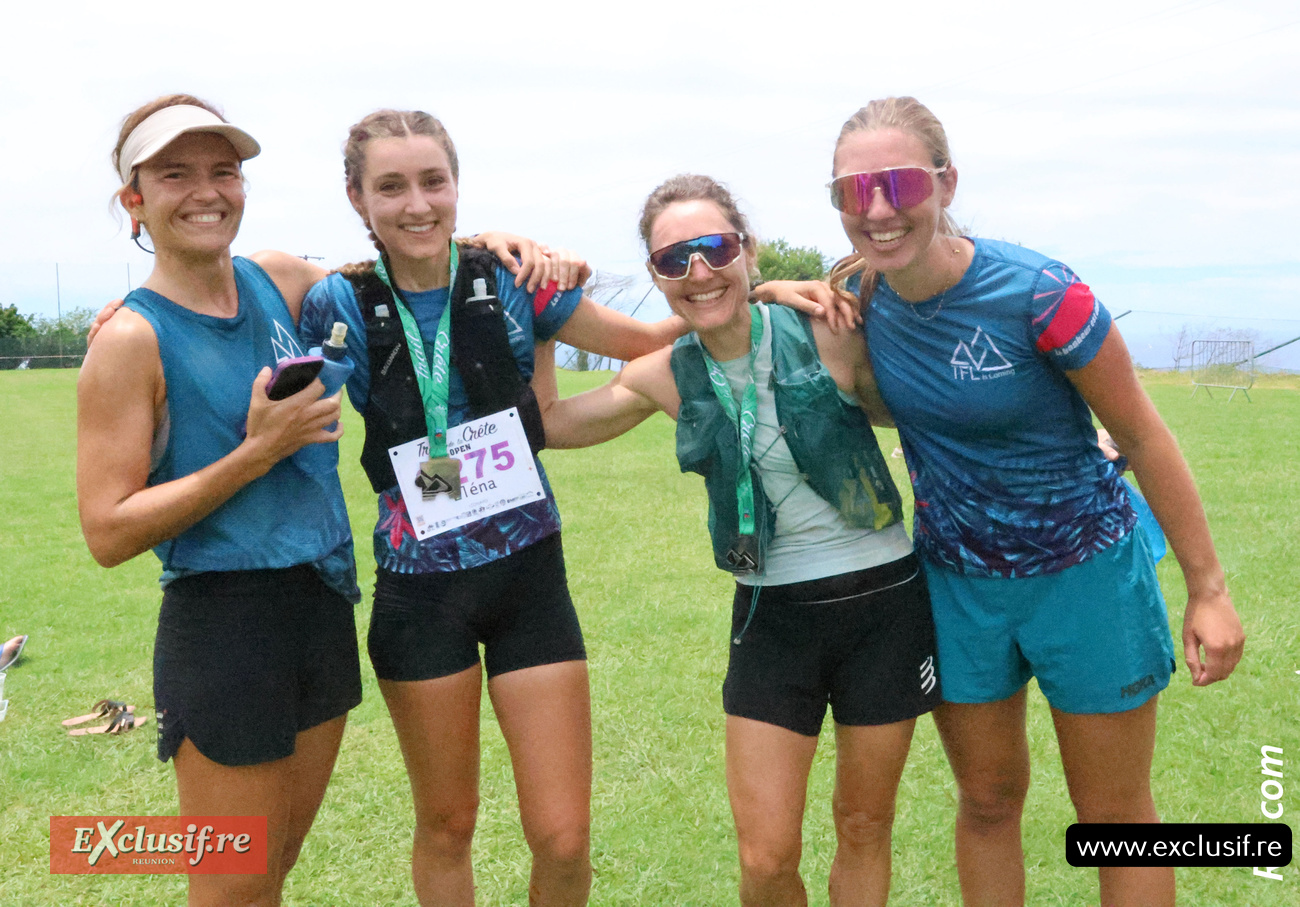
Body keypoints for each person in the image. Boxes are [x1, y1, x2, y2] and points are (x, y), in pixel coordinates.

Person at [822, 96, 1245, 907]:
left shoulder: (1044, 293)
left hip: (1084, 578)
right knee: (986, 801)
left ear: (946, 182)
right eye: (852, 191)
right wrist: (782, 293)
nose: (877, 208)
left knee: (1115, 813)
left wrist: (1209, 589)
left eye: (900, 182)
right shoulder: (861, 299)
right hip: (956, 588)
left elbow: (1145, 437)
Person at [297, 109, 686, 907]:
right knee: (447, 824)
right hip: (418, 593)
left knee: (565, 837)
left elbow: (649, 342)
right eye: (391, 186)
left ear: (456, 185)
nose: (417, 204)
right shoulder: (335, 300)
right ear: (356, 198)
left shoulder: (510, 281)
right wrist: (125, 312)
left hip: (528, 581)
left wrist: (764, 293)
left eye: (433, 181)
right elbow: (246, 286)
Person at [534, 174, 941, 907]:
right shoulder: (665, 374)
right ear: (659, 276)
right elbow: (553, 425)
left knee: (863, 822)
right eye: (672, 259)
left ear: (748, 250)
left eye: (715, 247)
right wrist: (537, 318)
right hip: (770, 617)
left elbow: (933, 399)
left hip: (884, 604)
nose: (697, 270)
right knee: (765, 857)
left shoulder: (830, 331)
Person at [77, 94, 361, 907]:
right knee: (232, 892)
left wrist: (498, 245)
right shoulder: (130, 339)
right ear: (135, 200)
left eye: (223, 170)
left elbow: (398, 271)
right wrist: (256, 452)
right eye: (175, 174)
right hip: (224, 625)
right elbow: (106, 530)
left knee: (271, 874)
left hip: (320, 604)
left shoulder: (273, 277)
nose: (207, 191)